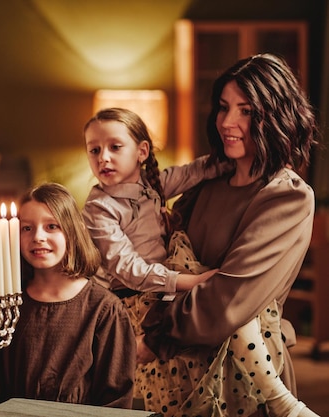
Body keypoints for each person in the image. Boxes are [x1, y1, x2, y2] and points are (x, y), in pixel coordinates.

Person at [137, 53, 319, 417]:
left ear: (278, 116)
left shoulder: (287, 196)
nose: (227, 122)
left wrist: (154, 335)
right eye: (223, 107)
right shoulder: (207, 181)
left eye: (246, 110)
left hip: (246, 382)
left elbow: (227, 297)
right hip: (178, 376)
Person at [81, 107, 225, 334]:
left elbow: (195, 172)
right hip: (129, 302)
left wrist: (241, 161)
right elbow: (127, 268)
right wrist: (191, 282)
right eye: (94, 150)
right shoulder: (98, 208)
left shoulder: (153, 185)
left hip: (164, 289)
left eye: (115, 147)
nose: (103, 158)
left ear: (142, 151)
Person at [0, 182, 136, 408]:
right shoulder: (5, 303)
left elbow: (116, 399)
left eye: (51, 226)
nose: (38, 237)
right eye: (26, 228)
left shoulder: (105, 310)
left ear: (71, 231)